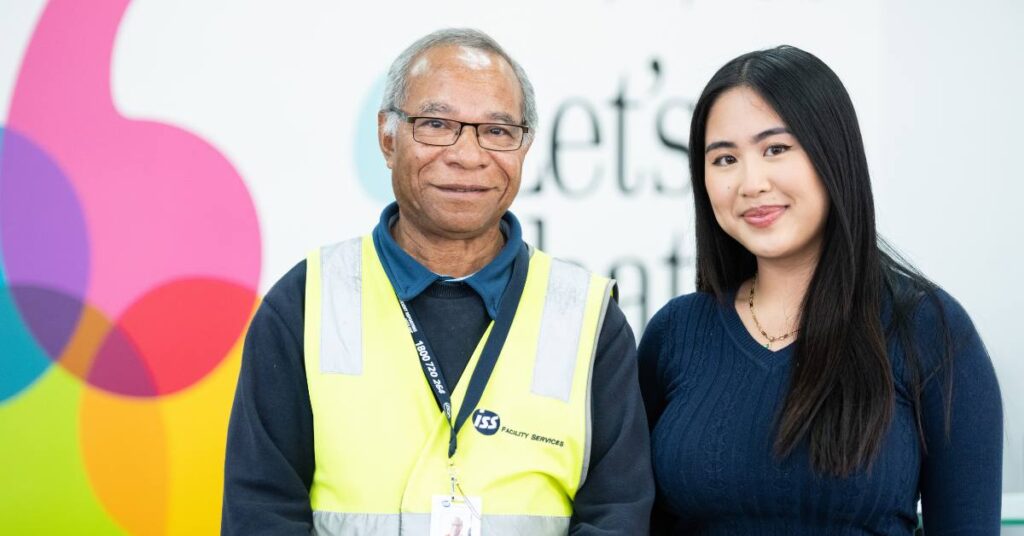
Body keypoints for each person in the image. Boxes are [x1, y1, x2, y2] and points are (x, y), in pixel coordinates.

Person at [222, 28, 654, 535]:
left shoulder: (587, 317)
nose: (468, 155)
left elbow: (618, 514)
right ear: (387, 137)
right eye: (436, 124)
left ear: (525, 148)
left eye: (497, 132)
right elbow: (261, 511)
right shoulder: (305, 303)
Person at [638, 45, 1003, 534]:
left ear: (834, 154)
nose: (751, 182)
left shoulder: (927, 328)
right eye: (725, 159)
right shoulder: (674, 334)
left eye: (776, 149)